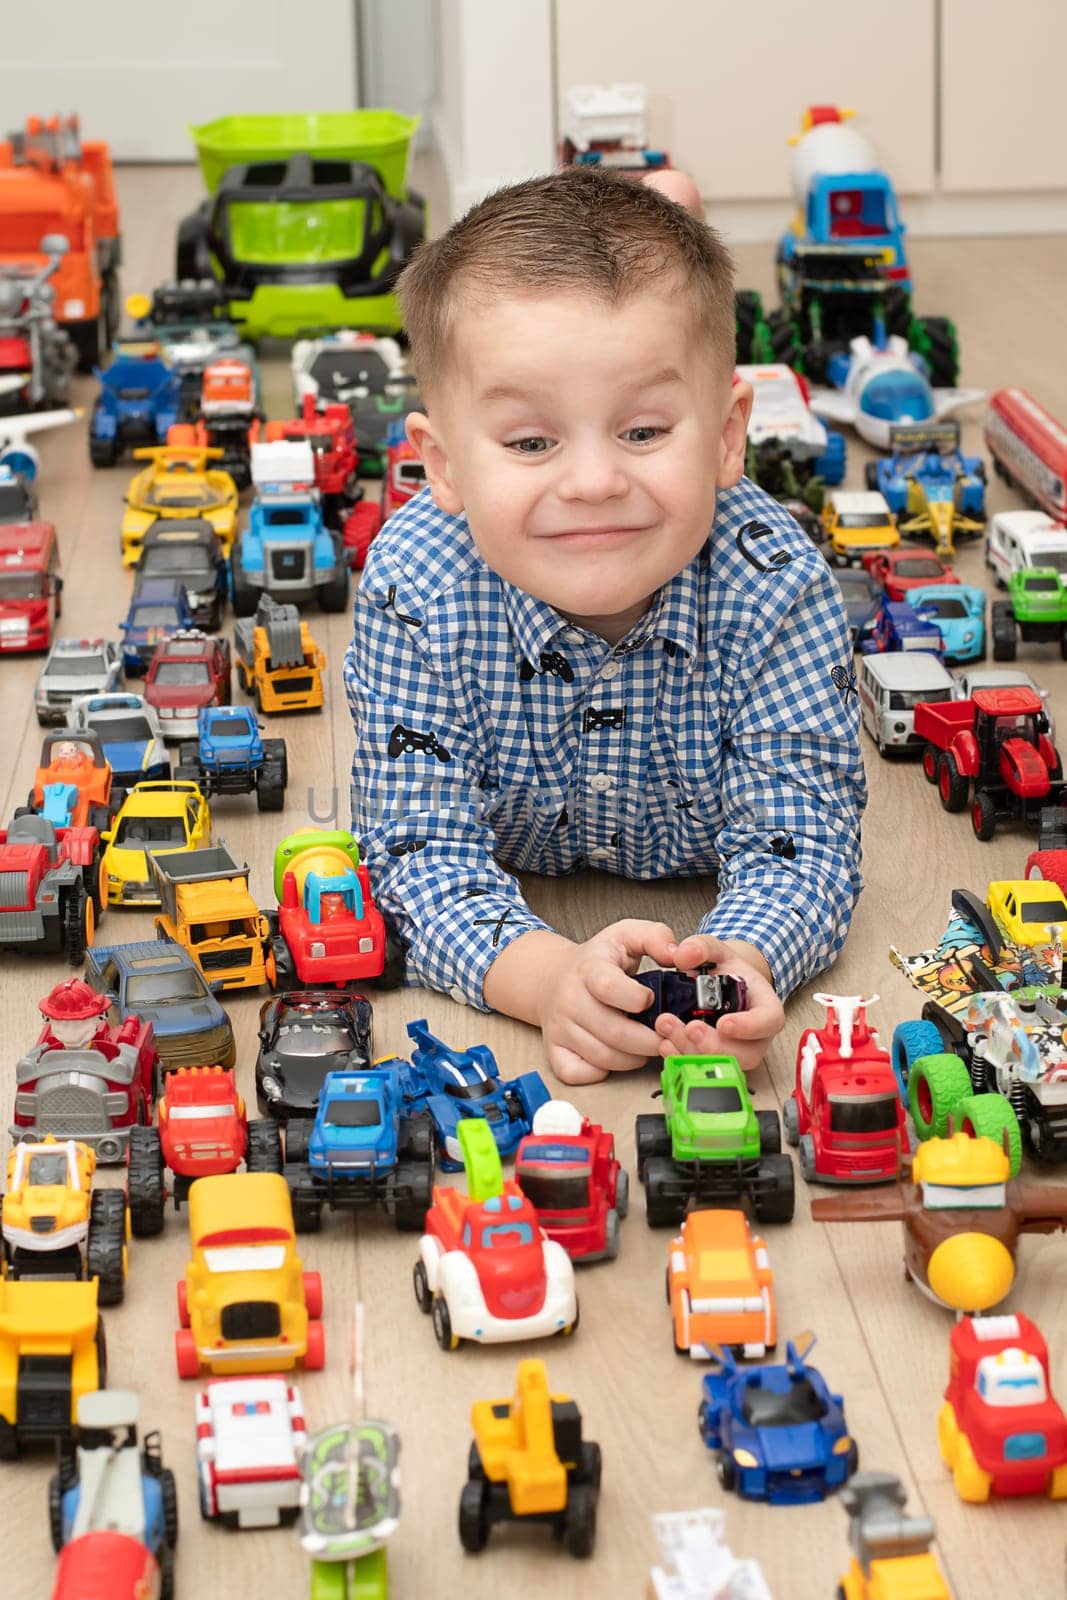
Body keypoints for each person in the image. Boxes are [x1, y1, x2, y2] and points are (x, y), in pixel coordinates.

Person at [344, 165, 866, 1086]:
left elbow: (803, 834)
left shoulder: (776, 583)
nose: (591, 482)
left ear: (726, 434)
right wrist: (545, 980)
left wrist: (740, 962)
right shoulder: (413, 583)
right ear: (443, 465)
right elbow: (411, 848)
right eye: (531, 442)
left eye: (642, 431)